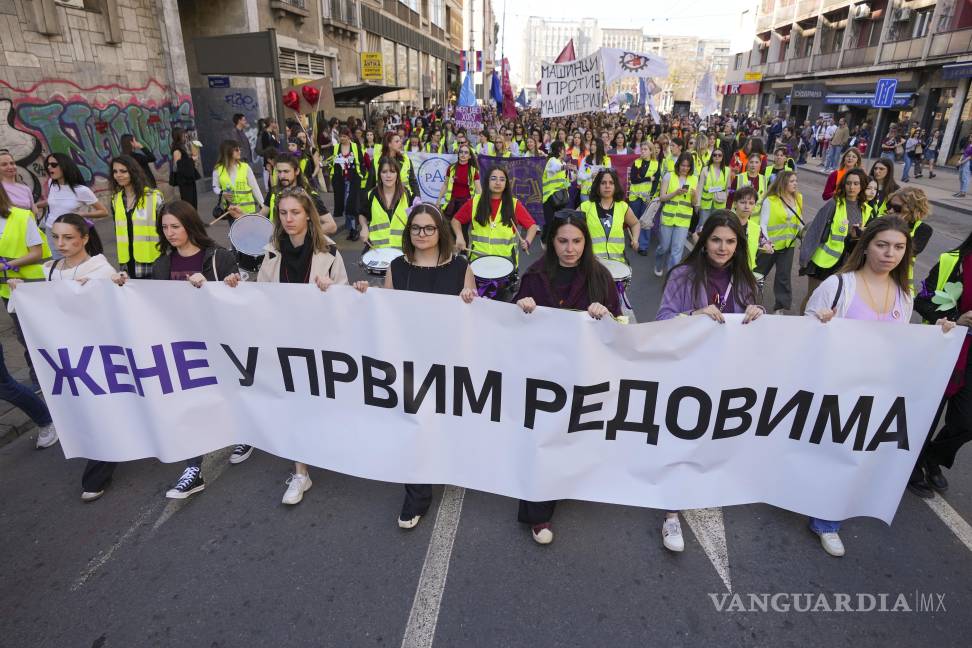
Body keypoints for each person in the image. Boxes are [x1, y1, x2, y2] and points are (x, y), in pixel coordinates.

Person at [804, 216, 924, 557]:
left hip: (876, 390)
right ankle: (817, 511)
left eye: (899, 247)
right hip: (835, 385)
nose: (890, 253)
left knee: (853, 453)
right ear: (867, 245)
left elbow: (901, 344)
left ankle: (826, 517)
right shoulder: (839, 285)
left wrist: (941, 335)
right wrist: (820, 322)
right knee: (828, 451)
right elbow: (804, 333)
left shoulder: (904, 294)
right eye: (882, 245)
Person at [354, 204, 476, 527]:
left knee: (444, 423)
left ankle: (446, 464)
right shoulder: (397, 266)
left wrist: (469, 299)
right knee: (414, 427)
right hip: (410, 362)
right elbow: (386, 310)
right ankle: (417, 495)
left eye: (429, 228)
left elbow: (475, 317)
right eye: (416, 228)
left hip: (448, 361)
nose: (422, 234)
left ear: (440, 231)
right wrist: (366, 295)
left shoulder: (461, 266)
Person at [107, 201, 240, 499]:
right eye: (164, 227)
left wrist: (213, 285)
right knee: (188, 401)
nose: (169, 233)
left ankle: (243, 433)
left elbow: (238, 299)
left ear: (190, 225)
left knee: (228, 393)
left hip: (218, 341)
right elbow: (153, 303)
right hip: (182, 345)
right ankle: (193, 468)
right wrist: (123, 288)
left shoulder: (219, 257)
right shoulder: (162, 264)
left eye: (175, 226)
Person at [224, 190, 348, 504]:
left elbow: (346, 300)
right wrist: (238, 287)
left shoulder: (330, 252)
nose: (288, 219)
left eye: (295, 212)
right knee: (293, 404)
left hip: (320, 342)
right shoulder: (271, 252)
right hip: (284, 341)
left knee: (318, 402)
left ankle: (326, 446)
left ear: (308, 215)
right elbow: (261, 296)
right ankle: (301, 473)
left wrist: (332, 290)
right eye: (283, 213)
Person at [655, 211, 764, 551]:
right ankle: (671, 515)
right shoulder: (683, 275)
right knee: (680, 438)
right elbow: (662, 320)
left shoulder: (746, 278)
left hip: (726, 373)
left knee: (711, 438)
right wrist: (694, 316)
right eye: (716, 240)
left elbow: (753, 323)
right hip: (687, 372)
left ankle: (701, 489)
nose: (723, 247)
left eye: (730, 241)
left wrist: (757, 315)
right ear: (703, 242)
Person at [513, 211, 621, 545]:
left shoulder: (601, 278)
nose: (569, 248)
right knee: (543, 438)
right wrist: (521, 305)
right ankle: (538, 512)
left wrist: (606, 317)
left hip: (583, 374)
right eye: (562, 241)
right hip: (543, 375)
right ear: (551, 242)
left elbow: (619, 327)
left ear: (585, 242)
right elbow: (511, 328)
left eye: (576, 241)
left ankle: (567, 483)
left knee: (571, 436)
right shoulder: (534, 277)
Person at [909, 229, 972, 497]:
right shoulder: (952, 261)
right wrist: (956, 319)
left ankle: (932, 456)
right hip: (945, 350)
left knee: (966, 422)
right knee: (927, 416)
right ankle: (911, 466)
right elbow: (922, 301)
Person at [0, 183, 51, 388]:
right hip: (7, 289)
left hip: (31, 286)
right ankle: (39, 379)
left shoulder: (21, 216)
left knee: (42, 334)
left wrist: (6, 264)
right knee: (25, 337)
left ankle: (51, 376)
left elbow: (36, 252)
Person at [799, 168, 868, 314]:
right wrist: (805, 256)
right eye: (848, 183)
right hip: (823, 262)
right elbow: (815, 230)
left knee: (833, 301)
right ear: (843, 185)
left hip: (847, 262)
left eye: (856, 183)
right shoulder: (834, 204)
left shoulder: (865, 209)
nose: (852, 187)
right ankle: (801, 324)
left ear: (862, 186)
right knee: (813, 297)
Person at [35, 152, 109, 259]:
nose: (49, 167)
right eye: (48, 164)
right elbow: (53, 201)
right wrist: (34, 205)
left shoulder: (82, 190)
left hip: (70, 234)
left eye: (54, 165)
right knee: (58, 263)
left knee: (74, 264)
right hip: (51, 230)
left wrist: (81, 214)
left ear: (65, 166)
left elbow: (103, 211)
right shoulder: (52, 183)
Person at [757, 170, 803, 314]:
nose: (795, 184)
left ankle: (780, 307)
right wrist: (766, 242)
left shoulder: (799, 198)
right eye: (792, 181)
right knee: (758, 273)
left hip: (788, 245)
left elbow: (799, 220)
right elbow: (763, 224)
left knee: (783, 276)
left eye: (796, 181)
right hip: (770, 245)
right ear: (783, 183)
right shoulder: (770, 200)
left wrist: (804, 234)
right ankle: (749, 297)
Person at [110, 155, 164, 278]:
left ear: (133, 172)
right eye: (115, 171)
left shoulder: (153, 196)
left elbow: (165, 229)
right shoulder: (115, 199)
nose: (118, 175)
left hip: (152, 260)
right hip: (127, 263)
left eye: (123, 171)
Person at [262, 155, 336, 237]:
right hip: (275, 245)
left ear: (297, 171)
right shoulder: (273, 191)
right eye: (279, 172)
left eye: (286, 171)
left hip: (301, 248)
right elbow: (262, 215)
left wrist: (302, 236)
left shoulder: (309, 195)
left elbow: (331, 226)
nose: (282, 176)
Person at [580, 168, 640, 263]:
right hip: (594, 264)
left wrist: (635, 240)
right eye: (603, 183)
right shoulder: (585, 207)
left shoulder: (623, 207)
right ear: (597, 186)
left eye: (611, 183)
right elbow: (572, 228)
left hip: (618, 264)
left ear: (615, 186)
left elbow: (635, 224)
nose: (607, 186)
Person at [654, 152, 699, 275]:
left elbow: (695, 203)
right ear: (678, 164)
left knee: (677, 250)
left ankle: (671, 274)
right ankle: (658, 264)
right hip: (668, 217)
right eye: (683, 165)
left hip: (684, 220)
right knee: (664, 247)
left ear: (691, 167)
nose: (685, 168)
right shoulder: (669, 176)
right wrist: (675, 193)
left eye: (688, 166)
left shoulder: (694, 179)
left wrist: (694, 196)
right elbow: (662, 197)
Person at [359, 157, 411, 250]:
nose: (388, 175)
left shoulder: (407, 194)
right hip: (377, 251)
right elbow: (363, 214)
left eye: (392, 172)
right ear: (379, 175)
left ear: (397, 174)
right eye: (384, 172)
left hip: (403, 252)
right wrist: (364, 227)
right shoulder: (371, 195)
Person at [326, 128, 365, 240]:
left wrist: (361, 174)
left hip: (353, 180)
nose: (342, 138)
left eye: (344, 136)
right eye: (341, 136)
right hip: (340, 180)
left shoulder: (355, 147)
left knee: (350, 204)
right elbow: (330, 161)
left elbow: (361, 161)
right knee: (344, 205)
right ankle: (351, 229)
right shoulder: (336, 148)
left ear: (349, 137)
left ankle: (353, 230)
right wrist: (326, 166)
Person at [212, 139, 264, 220]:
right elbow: (215, 187)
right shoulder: (218, 169)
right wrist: (222, 193)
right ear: (228, 151)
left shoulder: (245, 167)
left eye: (239, 149)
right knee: (235, 232)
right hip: (231, 211)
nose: (239, 151)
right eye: (236, 150)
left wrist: (263, 205)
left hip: (248, 211)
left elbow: (255, 188)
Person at [630, 142, 661, 256]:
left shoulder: (656, 164)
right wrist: (648, 178)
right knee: (635, 220)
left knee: (645, 221)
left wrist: (651, 196)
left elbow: (656, 182)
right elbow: (633, 179)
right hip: (635, 196)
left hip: (647, 197)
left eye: (645, 149)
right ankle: (634, 240)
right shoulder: (636, 162)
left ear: (651, 151)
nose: (642, 151)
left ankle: (643, 246)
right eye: (641, 149)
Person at [731, 185, 772, 271]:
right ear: (735, 204)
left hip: (746, 272)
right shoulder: (725, 223)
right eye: (742, 202)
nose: (747, 206)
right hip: (726, 270)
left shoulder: (756, 228)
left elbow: (763, 241)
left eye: (751, 203)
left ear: (754, 206)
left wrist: (767, 246)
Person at [438, 144, 481, 219]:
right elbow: (445, 185)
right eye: (461, 152)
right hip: (451, 203)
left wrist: (480, 205)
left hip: (466, 204)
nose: (463, 154)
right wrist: (438, 200)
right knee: (448, 227)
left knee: (463, 228)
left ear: (470, 156)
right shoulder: (451, 168)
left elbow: (479, 190)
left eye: (466, 152)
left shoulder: (473, 171)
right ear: (458, 154)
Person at [541, 141, 570, 240]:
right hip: (549, 197)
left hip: (560, 198)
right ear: (558, 150)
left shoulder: (564, 163)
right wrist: (564, 167)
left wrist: (572, 176)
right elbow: (554, 169)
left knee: (558, 223)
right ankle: (546, 242)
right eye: (562, 149)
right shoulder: (552, 160)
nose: (564, 151)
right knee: (550, 223)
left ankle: (552, 244)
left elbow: (565, 181)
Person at [698, 147, 731, 229]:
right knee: (703, 225)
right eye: (715, 155)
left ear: (723, 157)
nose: (717, 157)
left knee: (716, 226)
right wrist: (697, 203)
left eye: (719, 155)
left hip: (720, 202)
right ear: (711, 156)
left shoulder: (727, 170)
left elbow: (728, 187)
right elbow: (700, 187)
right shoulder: (705, 169)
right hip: (706, 202)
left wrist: (725, 197)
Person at [169, 127, 201, 208]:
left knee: (193, 201)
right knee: (189, 202)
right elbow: (178, 166)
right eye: (183, 135)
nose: (185, 137)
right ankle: (190, 219)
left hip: (188, 179)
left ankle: (194, 218)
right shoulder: (177, 150)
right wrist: (191, 159)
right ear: (178, 136)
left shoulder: (182, 147)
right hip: (184, 181)